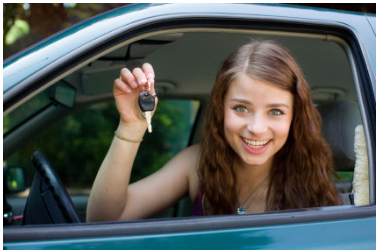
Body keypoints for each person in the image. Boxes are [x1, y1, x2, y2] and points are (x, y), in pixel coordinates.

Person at [86, 40, 341, 222]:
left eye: (276, 111)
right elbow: (105, 218)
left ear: (294, 117)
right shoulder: (196, 163)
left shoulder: (311, 180)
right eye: (241, 108)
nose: (256, 128)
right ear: (221, 109)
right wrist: (131, 125)